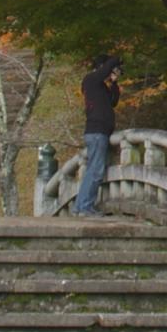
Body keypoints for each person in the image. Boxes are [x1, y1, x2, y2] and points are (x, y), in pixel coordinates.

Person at [72, 55, 122, 216]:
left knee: (93, 170)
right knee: (95, 171)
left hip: (100, 133)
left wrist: (114, 82)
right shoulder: (91, 80)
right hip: (96, 132)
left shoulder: (100, 87)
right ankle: (85, 206)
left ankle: (80, 206)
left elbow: (113, 102)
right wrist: (117, 58)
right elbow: (105, 69)